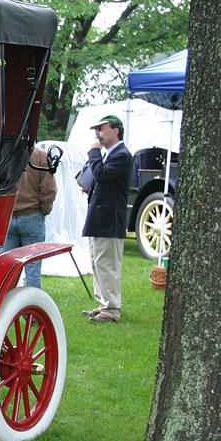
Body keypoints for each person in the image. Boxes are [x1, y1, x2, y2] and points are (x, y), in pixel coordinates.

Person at [81, 115, 132, 324]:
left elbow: (102, 174)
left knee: (107, 264)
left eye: (101, 129)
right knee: (98, 263)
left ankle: (111, 309)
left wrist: (94, 153)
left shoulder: (121, 154)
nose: (97, 134)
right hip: (100, 218)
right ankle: (103, 304)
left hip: (109, 220)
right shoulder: (111, 154)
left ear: (115, 131)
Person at [1, 146, 57, 288]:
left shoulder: (5, 153)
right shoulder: (40, 155)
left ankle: (6, 305)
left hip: (8, 216)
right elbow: (49, 188)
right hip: (31, 216)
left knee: (6, 270)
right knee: (33, 270)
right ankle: (32, 306)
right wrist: (43, 210)